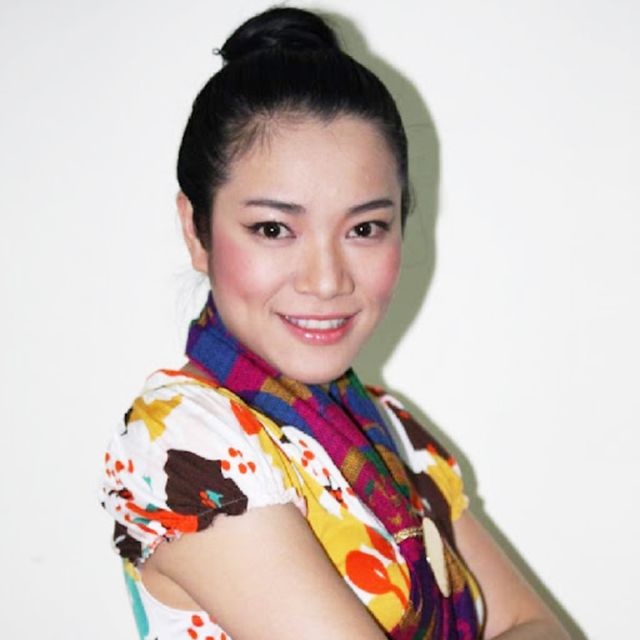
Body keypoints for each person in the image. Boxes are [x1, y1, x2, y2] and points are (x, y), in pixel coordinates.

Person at [101, 7, 569, 640]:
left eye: (364, 227)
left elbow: (533, 624)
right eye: (274, 229)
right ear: (196, 229)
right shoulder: (184, 440)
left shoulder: (390, 429)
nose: (326, 280)